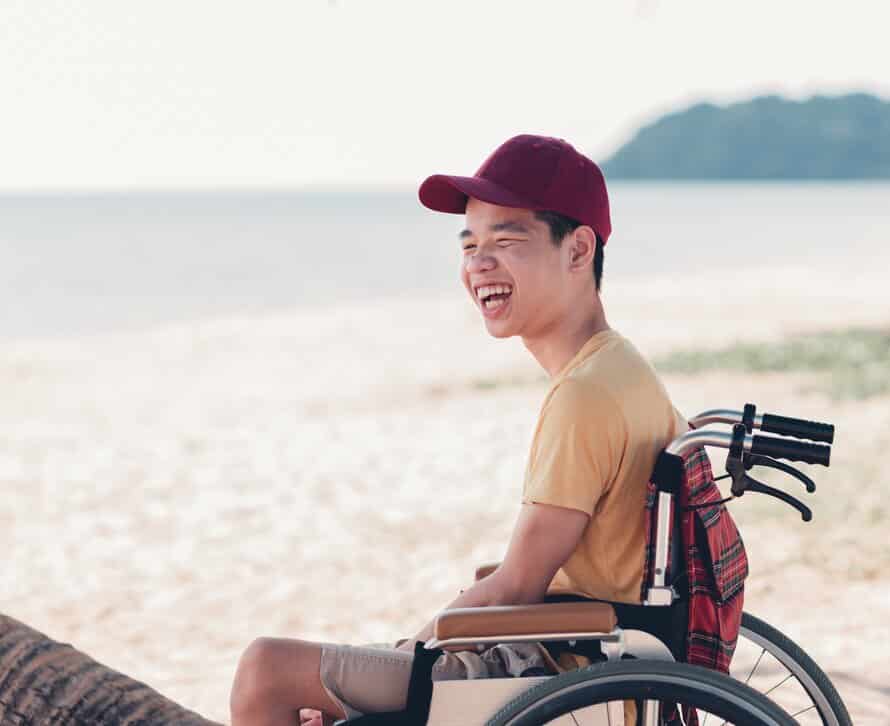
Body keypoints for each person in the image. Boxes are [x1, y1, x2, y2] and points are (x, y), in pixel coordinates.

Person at [229, 134, 689, 726]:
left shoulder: (585, 394)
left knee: (265, 669)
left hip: (561, 675)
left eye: (506, 240)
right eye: (469, 244)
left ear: (578, 251)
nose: (478, 263)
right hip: (587, 654)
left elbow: (515, 586)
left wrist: (408, 655)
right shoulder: (619, 368)